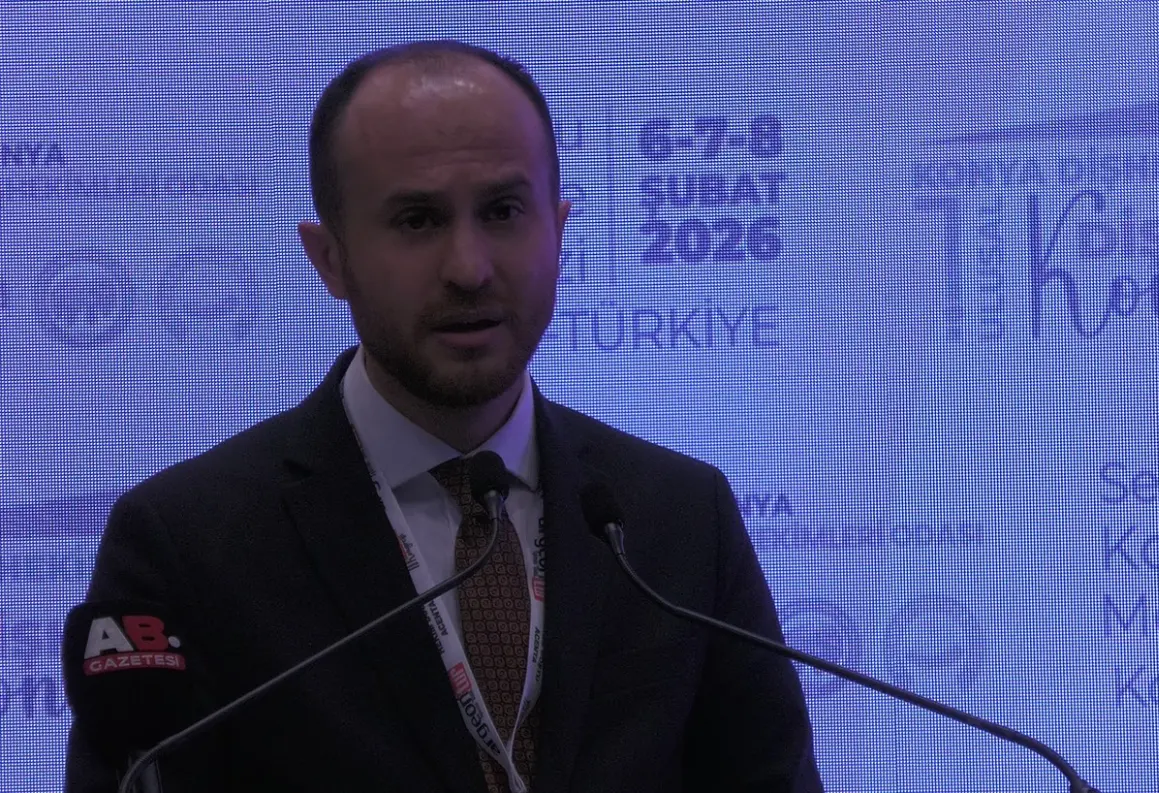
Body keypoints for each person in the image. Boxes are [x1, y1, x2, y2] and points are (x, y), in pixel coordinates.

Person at [64, 40, 822, 793]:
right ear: (329, 258)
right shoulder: (189, 544)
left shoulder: (678, 520)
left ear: (559, 230)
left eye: (503, 211)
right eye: (417, 220)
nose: (469, 267)